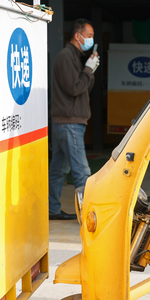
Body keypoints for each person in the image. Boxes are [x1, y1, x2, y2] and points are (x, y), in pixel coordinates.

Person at [48, 18, 100, 220]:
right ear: (78, 36)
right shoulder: (66, 56)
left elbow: (84, 87)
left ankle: (52, 209)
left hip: (67, 122)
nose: (91, 39)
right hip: (69, 123)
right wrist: (88, 69)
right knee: (82, 172)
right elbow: (74, 88)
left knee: (59, 169)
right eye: (89, 35)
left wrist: (90, 70)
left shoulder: (75, 57)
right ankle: (87, 218)